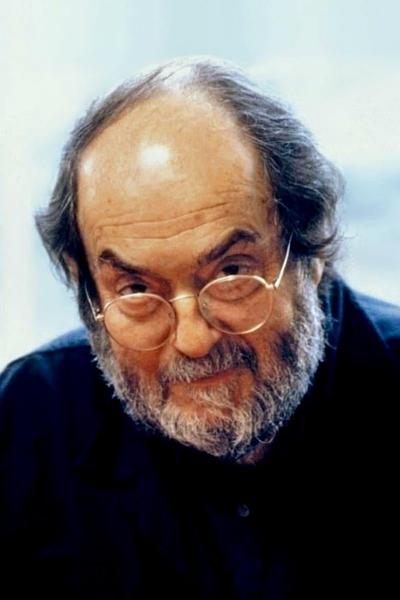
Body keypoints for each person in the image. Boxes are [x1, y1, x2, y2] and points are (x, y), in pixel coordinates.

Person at [0, 57, 398, 599]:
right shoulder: (29, 421)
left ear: (310, 251)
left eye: (231, 272)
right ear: (86, 287)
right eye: (135, 289)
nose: (193, 339)